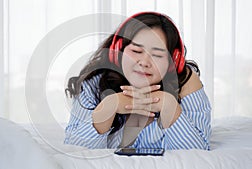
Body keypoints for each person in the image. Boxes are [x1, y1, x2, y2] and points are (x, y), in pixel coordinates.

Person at [64, 12, 211, 150]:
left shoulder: (186, 81)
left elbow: (199, 151)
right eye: (136, 51)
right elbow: (74, 148)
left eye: (157, 55)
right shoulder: (95, 83)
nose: (144, 62)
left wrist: (169, 108)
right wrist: (108, 108)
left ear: (173, 61)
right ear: (118, 51)